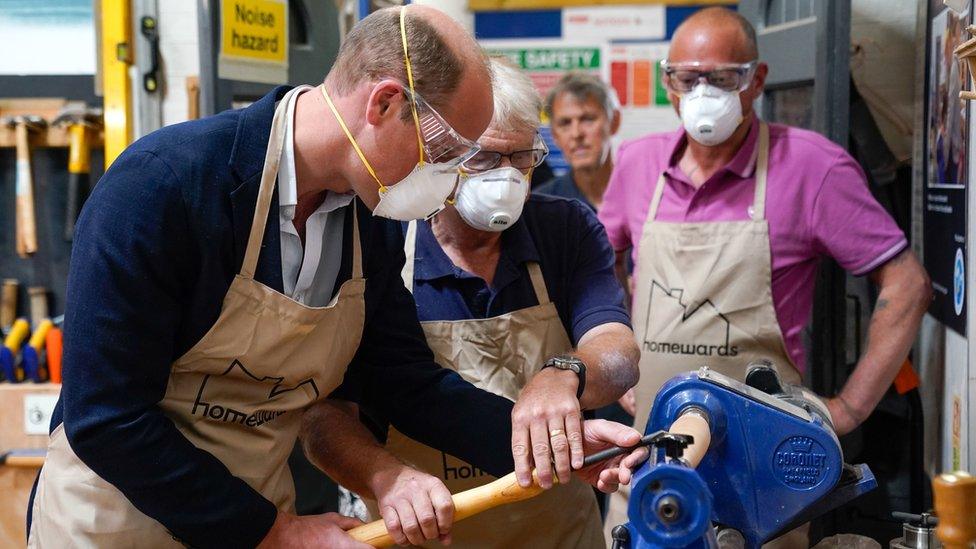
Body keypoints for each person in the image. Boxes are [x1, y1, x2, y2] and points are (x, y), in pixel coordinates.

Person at [27, 7, 646, 548]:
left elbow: (403, 382)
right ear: (385, 104)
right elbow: (106, 417)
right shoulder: (163, 187)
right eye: (449, 154)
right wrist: (270, 532)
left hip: (257, 520)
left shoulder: (361, 216)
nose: (458, 180)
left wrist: (548, 443)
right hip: (116, 525)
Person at [599, 7, 932, 546]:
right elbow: (601, 267)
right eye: (688, 78)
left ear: (756, 79)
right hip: (646, 463)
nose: (702, 92)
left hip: (761, 479)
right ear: (668, 82)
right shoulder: (637, 164)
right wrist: (619, 371)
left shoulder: (812, 168)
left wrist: (847, 408)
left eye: (722, 77)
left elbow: (908, 285)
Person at [304, 57, 640, 548]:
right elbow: (324, 416)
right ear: (437, 152)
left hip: (556, 530)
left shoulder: (563, 229)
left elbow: (616, 349)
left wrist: (562, 374)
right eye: (483, 160)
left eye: (521, 158)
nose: (505, 179)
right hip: (425, 533)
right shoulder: (377, 239)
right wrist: (385, 476)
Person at [535, 72, 621, 211]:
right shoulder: (540, 207)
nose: (576, 134)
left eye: (588, 119)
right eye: (565, 123)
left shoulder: (646, 193)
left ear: (614, 122)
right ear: (554, 135)